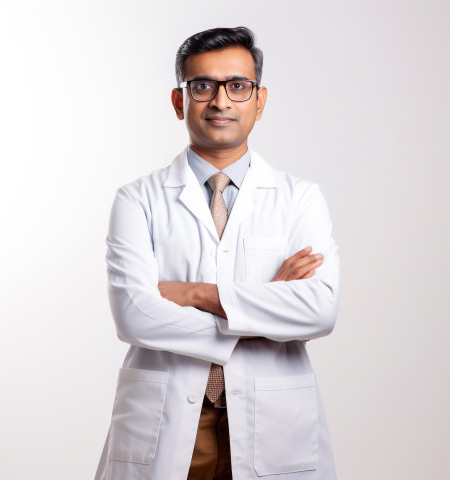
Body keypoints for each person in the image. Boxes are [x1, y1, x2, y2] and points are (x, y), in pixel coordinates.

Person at [94, 26, 340, 480]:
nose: (221, 101)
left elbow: (320, 311)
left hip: (274, 419)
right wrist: (266, 310)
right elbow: (134, 316)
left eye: (238, 86)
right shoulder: (137, 199)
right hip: (165, 420)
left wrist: (195, 294)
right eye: (203, 86)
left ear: (259, 100)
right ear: (178, 101)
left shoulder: (300, 198)